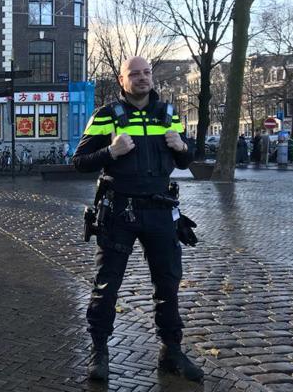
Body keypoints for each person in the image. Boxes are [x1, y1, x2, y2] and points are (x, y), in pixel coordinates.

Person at [73, 56, 203, 383]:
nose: (142, 78)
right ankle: (99, 351)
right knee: (107, 284)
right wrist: (110, 153)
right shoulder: (106, 116)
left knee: (168, 283)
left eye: (146, 73)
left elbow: (186, 161)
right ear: (122, 79)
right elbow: (79, 162)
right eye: (135, 74)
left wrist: (182, 147)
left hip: (160, 210)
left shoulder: (168, 114)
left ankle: (171, 350)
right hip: (119, 211)